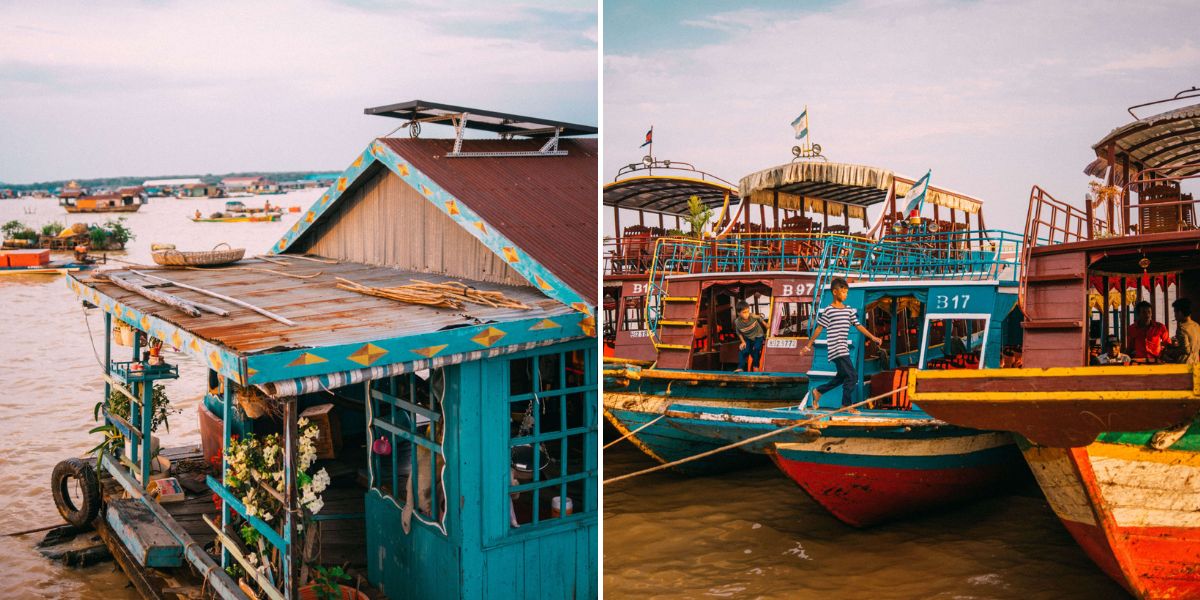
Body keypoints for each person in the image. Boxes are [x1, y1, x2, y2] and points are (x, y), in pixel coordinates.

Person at [800, 278, 883, 409]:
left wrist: (873, 337)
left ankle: (818, 391)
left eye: (846, 293)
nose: (845, 295)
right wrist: (808, 345)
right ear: (834, 292)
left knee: (842, 377)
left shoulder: (848, 310)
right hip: (836, 348)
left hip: (843, 348)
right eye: (843, 292)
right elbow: (819, 328)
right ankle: (846, 404)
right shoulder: (829, 310)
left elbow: (858, 325)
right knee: (852, 376)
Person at [1161, 298, 1200, 364]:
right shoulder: (1196, 326)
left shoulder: (1182, 328)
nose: (1175, 315)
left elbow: (1186, 350)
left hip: (1185, 362)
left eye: (1175, 312)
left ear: (1180, 312)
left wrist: (1170, 352)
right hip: (1196, 361)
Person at [733, 301, 768, 372]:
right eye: (744, 312)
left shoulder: (752, 316)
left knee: (756, 349)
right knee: (743, 350)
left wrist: (766, 324)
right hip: (748, 338)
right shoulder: (737, 322)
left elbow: (760, 319)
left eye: (748, 311)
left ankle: (756, 366)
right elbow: (738, 332)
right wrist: (743, 342)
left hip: (758, 335)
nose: (747, 314)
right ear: (738, 313)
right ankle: (740, 367)